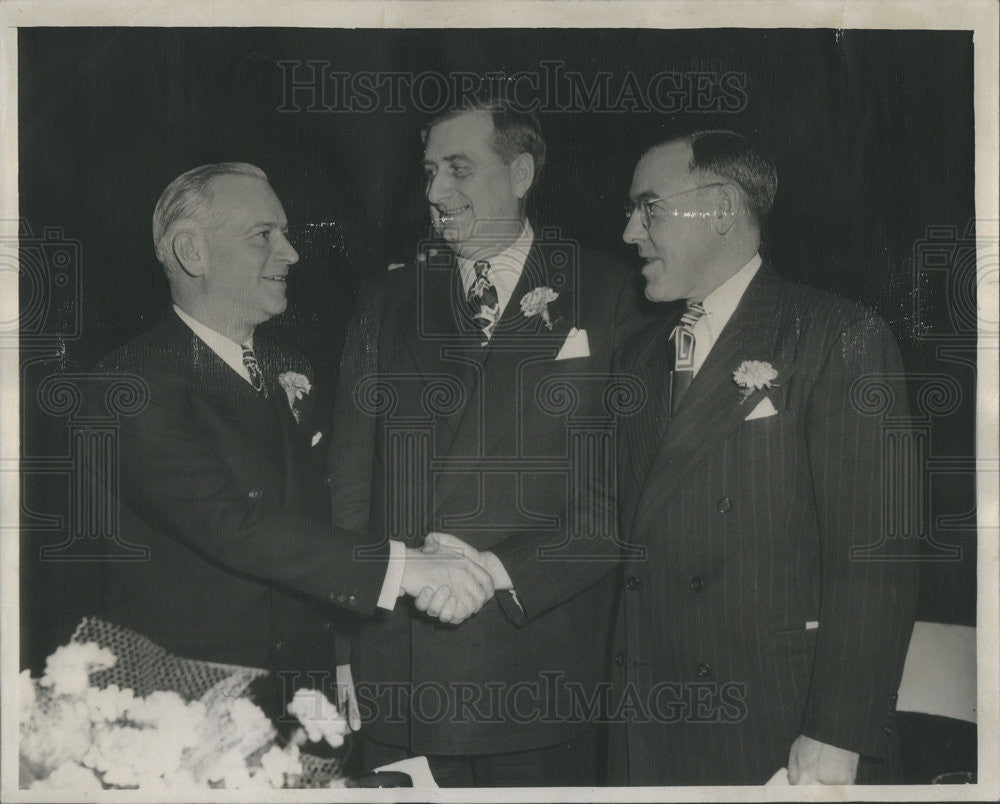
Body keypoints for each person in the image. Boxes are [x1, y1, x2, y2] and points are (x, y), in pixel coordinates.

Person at [90, 162, 495, 724]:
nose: (292, 253)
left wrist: (342, 657)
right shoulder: (131, 385)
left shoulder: (290, 367)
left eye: (284, 233)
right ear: (192, 253)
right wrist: (406, 567)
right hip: (190, 705)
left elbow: (316, 519)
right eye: (264, 235)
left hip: (302, 697)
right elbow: (235, 525)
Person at [326, 99, 647, 786]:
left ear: (521, 172)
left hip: (539, 672)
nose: (436, 193)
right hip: (399, 675)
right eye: (430, 172)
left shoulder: (615, 292)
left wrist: (497, 571)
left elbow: (623, 496)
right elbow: (349, 492)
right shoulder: (384, 302)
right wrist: (343, 648)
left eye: (460, 170)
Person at [610, 131, 918, 785]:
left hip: (775, 726)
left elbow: (875, 558)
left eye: (648, 208)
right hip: (650, 719)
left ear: (720, 208)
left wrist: (836, 733)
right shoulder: (637, 356)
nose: (630, 231)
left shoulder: (838, 335)